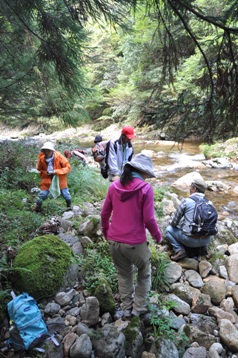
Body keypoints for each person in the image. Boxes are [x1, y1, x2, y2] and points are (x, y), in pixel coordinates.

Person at [101, 153, 162, 319]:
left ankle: (126, 308)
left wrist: (107, 233)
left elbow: (104, 214)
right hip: (135, 243)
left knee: (123, 274)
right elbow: (149, 219)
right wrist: (158, 237)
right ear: (143, 172)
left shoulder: (114, 187)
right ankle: (138, 308)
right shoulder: (145, 189)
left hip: (114, 241)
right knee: (144, 273)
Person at [166, 178, 213, 261]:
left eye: (190, 186)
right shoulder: (209, 203)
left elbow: (174, 223)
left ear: (194, 188)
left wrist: (170, 221)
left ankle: (179, 250)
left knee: (169, 229)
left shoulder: (186, 201)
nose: (189, 188)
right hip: (207, 240)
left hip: (189, 241)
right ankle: (203, 249)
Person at [34, 142, 72, 212]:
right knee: (43, 194)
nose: (46, 152)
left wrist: (56, 171)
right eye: (45, 150)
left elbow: (67, 167)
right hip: (47, 178)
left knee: (65, 193)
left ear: (52, 151)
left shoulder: (59, 157)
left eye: (48, 150)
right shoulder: (42, 159)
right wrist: (46, 173)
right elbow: (39, 169)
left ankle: (69, 206)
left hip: (60, 178)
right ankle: (37, 208)